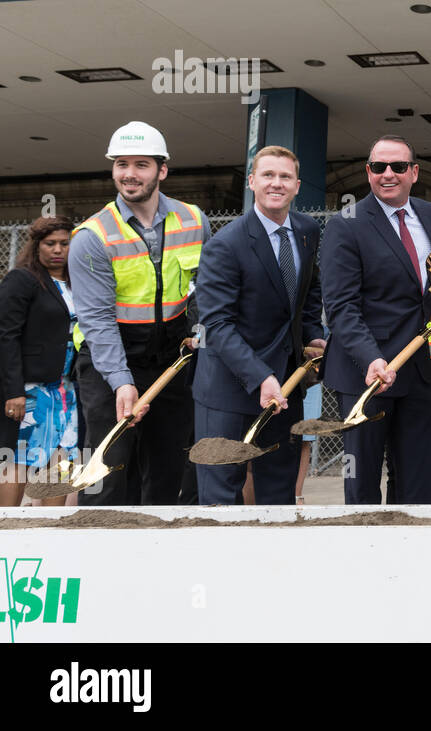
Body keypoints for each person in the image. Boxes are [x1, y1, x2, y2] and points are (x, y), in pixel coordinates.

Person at [69, 122, 210, 506]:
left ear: (162, 170)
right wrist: (121, 381)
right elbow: (97, 320)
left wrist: (198, 330)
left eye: (141, 164)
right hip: (108, 359)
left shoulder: (194, 220)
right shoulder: (92, 236)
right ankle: (100, 547)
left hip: (171, 356)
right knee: (109, 468)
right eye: (121, 164)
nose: (129, 173)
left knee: (167, 465)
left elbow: (205, 287)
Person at [191, 146, 326, 506]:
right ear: (252, 182)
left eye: (285, 177)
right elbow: (217, 324)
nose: (276, 183)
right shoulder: (225, 244)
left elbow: (309, 292)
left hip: (285, 388)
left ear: (297, 185)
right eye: (268, 175)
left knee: (278, 494)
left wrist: (313, 334)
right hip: (228, 391)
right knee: (221, 499)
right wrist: (261, 376)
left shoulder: (308, 231)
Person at [320, 135, 431, 505]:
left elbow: (430, 279)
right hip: (367, 373)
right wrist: (372, 359)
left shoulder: (430, 215)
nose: (387, 174)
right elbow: (341, 306)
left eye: (398, 167)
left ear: (414, 172)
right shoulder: (346, 224)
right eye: (378, 167)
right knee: (362, 482)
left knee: (419, 480)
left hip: (418, 371)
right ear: (368, 172)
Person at [0, 215, 79, 507]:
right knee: (20, 458)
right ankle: (6, 531)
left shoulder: (76, 283)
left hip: (67, 388)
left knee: (63, 458)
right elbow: (6, 336)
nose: (58, 250)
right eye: (50, 244)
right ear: (36, 246)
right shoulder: (22, 279)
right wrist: (13, 391)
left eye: (64, 243)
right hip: (31, 389)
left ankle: (50, 531)